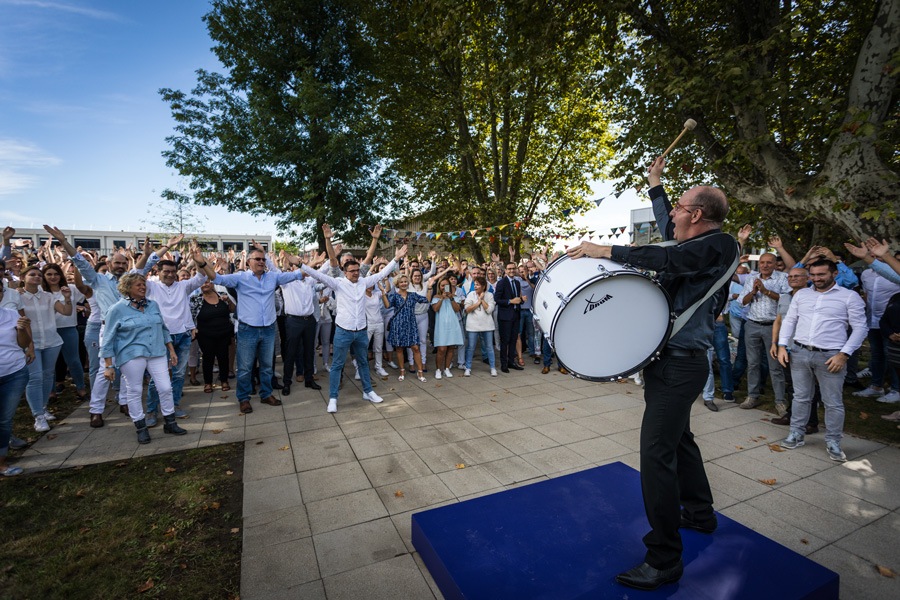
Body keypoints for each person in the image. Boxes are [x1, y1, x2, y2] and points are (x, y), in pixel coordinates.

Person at [566, 156, 738, 591]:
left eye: (680, 207)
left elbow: (673, 258)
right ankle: (700, 513)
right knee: (680, 440)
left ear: (698, 215)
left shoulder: (721, 245)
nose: (673, 215)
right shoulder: (695, 243)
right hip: (671, 364)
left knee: (655, 455)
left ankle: (664, 558)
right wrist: (657, 184)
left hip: (682, 365)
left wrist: (602, 249)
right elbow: (670, 233)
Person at [298, 224, 405, 413]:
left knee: (363, 362)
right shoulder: (338, 282)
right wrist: (301, 265)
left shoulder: (364, 281)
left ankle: (368, 391)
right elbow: (317, 273)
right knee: (338, 364)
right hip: (343, 331)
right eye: (352, 271)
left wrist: (396, 259)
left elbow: (382, 273)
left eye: (357, 270)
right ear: (345, 272)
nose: (356, 273)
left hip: (361, 331)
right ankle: (332, 398)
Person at [196, 245, 306, 414]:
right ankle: (244, 398)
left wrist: (301, 264)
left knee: (267, 366)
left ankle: (266, 394)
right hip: (248, 330)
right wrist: (203, 263)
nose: (261, 262)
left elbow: (300, 274)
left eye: (263, 259)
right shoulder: (241, 278)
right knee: (246, 367)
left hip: (268, 328)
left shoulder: (273, 278)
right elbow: (216, 278)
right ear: (248, 262)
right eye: (258, 259)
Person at [777, 260, 867, 461]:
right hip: (800, 352)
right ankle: (796, 433)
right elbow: (790, 320)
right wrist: (783, 345)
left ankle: (833, 441)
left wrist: (844, 354)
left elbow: (861, 328)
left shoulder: (849, 297)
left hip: (831, 356)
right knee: (800, 396)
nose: (816, 279)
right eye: (813, 275)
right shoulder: (802, 294)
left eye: (821, 275)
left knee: (832, 402)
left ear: (834, 273)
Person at [100, 273, 187, 443]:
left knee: (165, 387)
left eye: (143, 284)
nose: (142, 287)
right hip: (131, 354)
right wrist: (108, 365)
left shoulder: (152, 305)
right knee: (135, 390)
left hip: (157, 352)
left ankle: (170, 422)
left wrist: (171, 350)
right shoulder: (117, 309)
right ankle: (140, 427)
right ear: (127, 288)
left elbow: (163, 329)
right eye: (138, 285)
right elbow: (108, 338)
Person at [20, 265, 73, 432]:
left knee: (48, 375)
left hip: (51, 341)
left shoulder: (48, 296)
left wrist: (67, 298)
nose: (37, 277)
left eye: (38, 275)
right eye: (32, 274)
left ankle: (43, 407)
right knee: (35, 378)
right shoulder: (18, 296)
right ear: (23, 278)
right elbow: (21, 320)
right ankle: (38, 416)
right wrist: (29, 344)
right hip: (31, 343)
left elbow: (66, 311)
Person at [738, 253, 791, 414]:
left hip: (772, 326)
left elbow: (786, 300)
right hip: (752, 324)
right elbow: (742, 301)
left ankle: (780, 401)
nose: (765, 265)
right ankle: (752, 396)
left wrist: (766, 291)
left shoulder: (782, 278)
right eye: (762, 263)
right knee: (752, 363)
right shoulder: (751, 278)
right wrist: (753, 291)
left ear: (775, 264)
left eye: (769, 262)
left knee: (775, 366)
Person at [42, 263, 87, 400]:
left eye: (56, 274)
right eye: (49, 274)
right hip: (49, 330)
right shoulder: (40, 292)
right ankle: (51, 391)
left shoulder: (71, 289)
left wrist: (79, 264)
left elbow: (83, 288)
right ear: (44, 276)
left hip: (68, 329)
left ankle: (81, 388)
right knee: (50, 363)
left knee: (73, 360)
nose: (53, 277)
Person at [0, 293, 32, 476]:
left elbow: (23, 343)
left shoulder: (12, 314)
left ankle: (2, 463)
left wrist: (21, 330)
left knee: (4, 419)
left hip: (14, 373)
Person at [280, 262, 323, 396]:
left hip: (309, 320)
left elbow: (322, 271)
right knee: (291, 352)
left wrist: (330, 256)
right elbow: (274, 269)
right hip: (293, 321)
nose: (303, 271)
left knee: (309, 351)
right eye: (299, 268)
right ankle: (287, 382)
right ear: (293, 269)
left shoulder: (310, 281)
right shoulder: (287, 282)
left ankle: (309, 379)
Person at [380, 272, 432, 382]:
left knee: (415, 348)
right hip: (398, 325)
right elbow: (387, 305)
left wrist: (430, 288)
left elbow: (426, 300)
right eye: (401, 282)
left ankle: (420, 372)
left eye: (405, 282)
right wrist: (383, 293)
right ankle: (402, 370)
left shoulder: (413, 295)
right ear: (397, 284)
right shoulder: (394, 296)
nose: (404, 283)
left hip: (411, 324)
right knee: (399, 349)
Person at [190, 280, 236, 393]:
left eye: (208, 282)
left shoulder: (222, 295)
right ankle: (208, 383)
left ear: (213, 284)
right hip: (205, 335)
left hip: (224, 333)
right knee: (208, 358)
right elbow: (190, 315)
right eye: (202, 283)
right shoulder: (196, 299)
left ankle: (224, 380)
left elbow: (233, 310)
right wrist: (192, 329)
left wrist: (228, 300)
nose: (205, 285)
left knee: (223, 357)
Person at [431, 273, 464, 378]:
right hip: (441, 326)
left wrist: (451, 298)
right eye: (442, 285)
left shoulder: (454, 297)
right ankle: (438, 369)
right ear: (439, 287)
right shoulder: (436, 297)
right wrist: (442, 298)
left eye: (446, 285)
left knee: (451, 347)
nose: (444, 287)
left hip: (453, 324)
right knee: (441, 349)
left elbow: (457, 309)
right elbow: (435, 309)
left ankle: (447, 368)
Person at [494, 262, 525, 373]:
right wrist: (510, 301)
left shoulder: (517, 282)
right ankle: (504, 364)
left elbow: (517, 299)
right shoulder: (501, 283)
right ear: (506, 271)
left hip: (516, 315)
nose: (511, 270)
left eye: (513, 268)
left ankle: (511, 362)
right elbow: (497, 299)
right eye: (509, 269)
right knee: (505, 341)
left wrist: (521, 300)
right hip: (505, 317)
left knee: (513, 340)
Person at [463, 276, 497, 376]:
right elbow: (467, 309)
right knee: (471, 347)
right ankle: (468, 367)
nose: (475, 286)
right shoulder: (470, 295)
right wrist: (478, 302)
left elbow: (489, 310)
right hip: (473, 325)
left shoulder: (489, 295)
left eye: (478, 285)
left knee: (489, 347)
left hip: (487, 325)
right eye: (475, 284)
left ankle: (492, 367)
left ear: (483, 286)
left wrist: (482, 300)